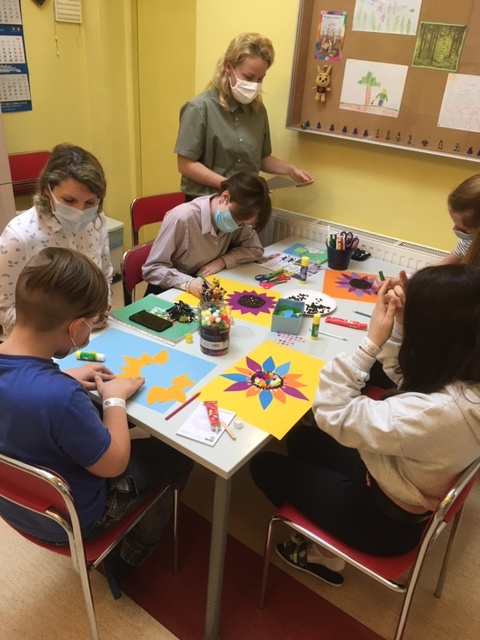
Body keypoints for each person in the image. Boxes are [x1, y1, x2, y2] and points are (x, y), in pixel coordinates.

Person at [250, 265, 480, 586]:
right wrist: (401, 325)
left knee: (262, 465)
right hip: (392, 478)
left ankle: (323, 553)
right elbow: (413, 379)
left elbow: (331, 411)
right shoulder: (466, 379)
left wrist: (371, 342)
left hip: (376, 522)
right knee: (301, 440)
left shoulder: (433, 414)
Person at [0, 247, 193, 593]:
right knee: (177, 455)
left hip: (16, 507)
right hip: (71, 521)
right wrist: (113, 398)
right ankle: (132, 552)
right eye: (90, 324)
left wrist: (61, 376)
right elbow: (113, 464)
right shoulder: (61, 397)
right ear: (76, 328)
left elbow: (21, 392)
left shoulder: (52, 388)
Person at [174, 32, 314, 200]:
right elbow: (186, 165)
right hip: (205, 202)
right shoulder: (199, 109)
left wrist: (290, 170)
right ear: (228, 68)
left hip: (243, 203)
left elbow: (260, 158)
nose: (254, 85)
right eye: (248, 77)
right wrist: (229, 185)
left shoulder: (258, 111)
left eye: (260, 79)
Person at [0, 143, 113, 336]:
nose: (80, 211)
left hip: (93, 333)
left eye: (90, 202)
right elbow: (4, 310)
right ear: (47, 190)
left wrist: (102, 309)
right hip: (42, 342)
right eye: (69, 200)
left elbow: (105, 275)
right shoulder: (19, 236)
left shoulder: (96, 220)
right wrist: (65, 330)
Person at [142, 171, 271, 297]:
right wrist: (188, 283)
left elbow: (255, 249)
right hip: (169, 289)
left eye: (242, 224)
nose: (237, 226)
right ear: (225, 198)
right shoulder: (182, 218)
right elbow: (152, 268)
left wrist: (222, 261)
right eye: (237, 219)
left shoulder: (239, 217)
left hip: (204, 285)